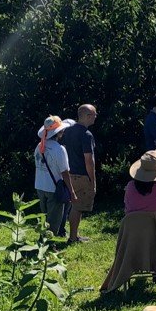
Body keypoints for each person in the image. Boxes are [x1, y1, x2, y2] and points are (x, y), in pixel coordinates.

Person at [61, 104, 98, 244]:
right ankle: (72, 238)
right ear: (88, 115)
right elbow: (89, 160)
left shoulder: (68, 131)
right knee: (78, 207)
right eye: (94, 114)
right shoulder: (86, 135)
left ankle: (74, 235)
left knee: (75, 206)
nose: (96, 117)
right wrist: (92, 180)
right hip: (82, 175)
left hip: (69, 173)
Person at [34, 116, 76, 238]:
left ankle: (42, 240)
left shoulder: (39, 146)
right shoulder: (59, 149)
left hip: (40, 186)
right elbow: (65, 173)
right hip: (53, 188)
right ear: (59, 133)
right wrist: (72, 192)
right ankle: (49, 244)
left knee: (45, 216)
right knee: (53, 220)